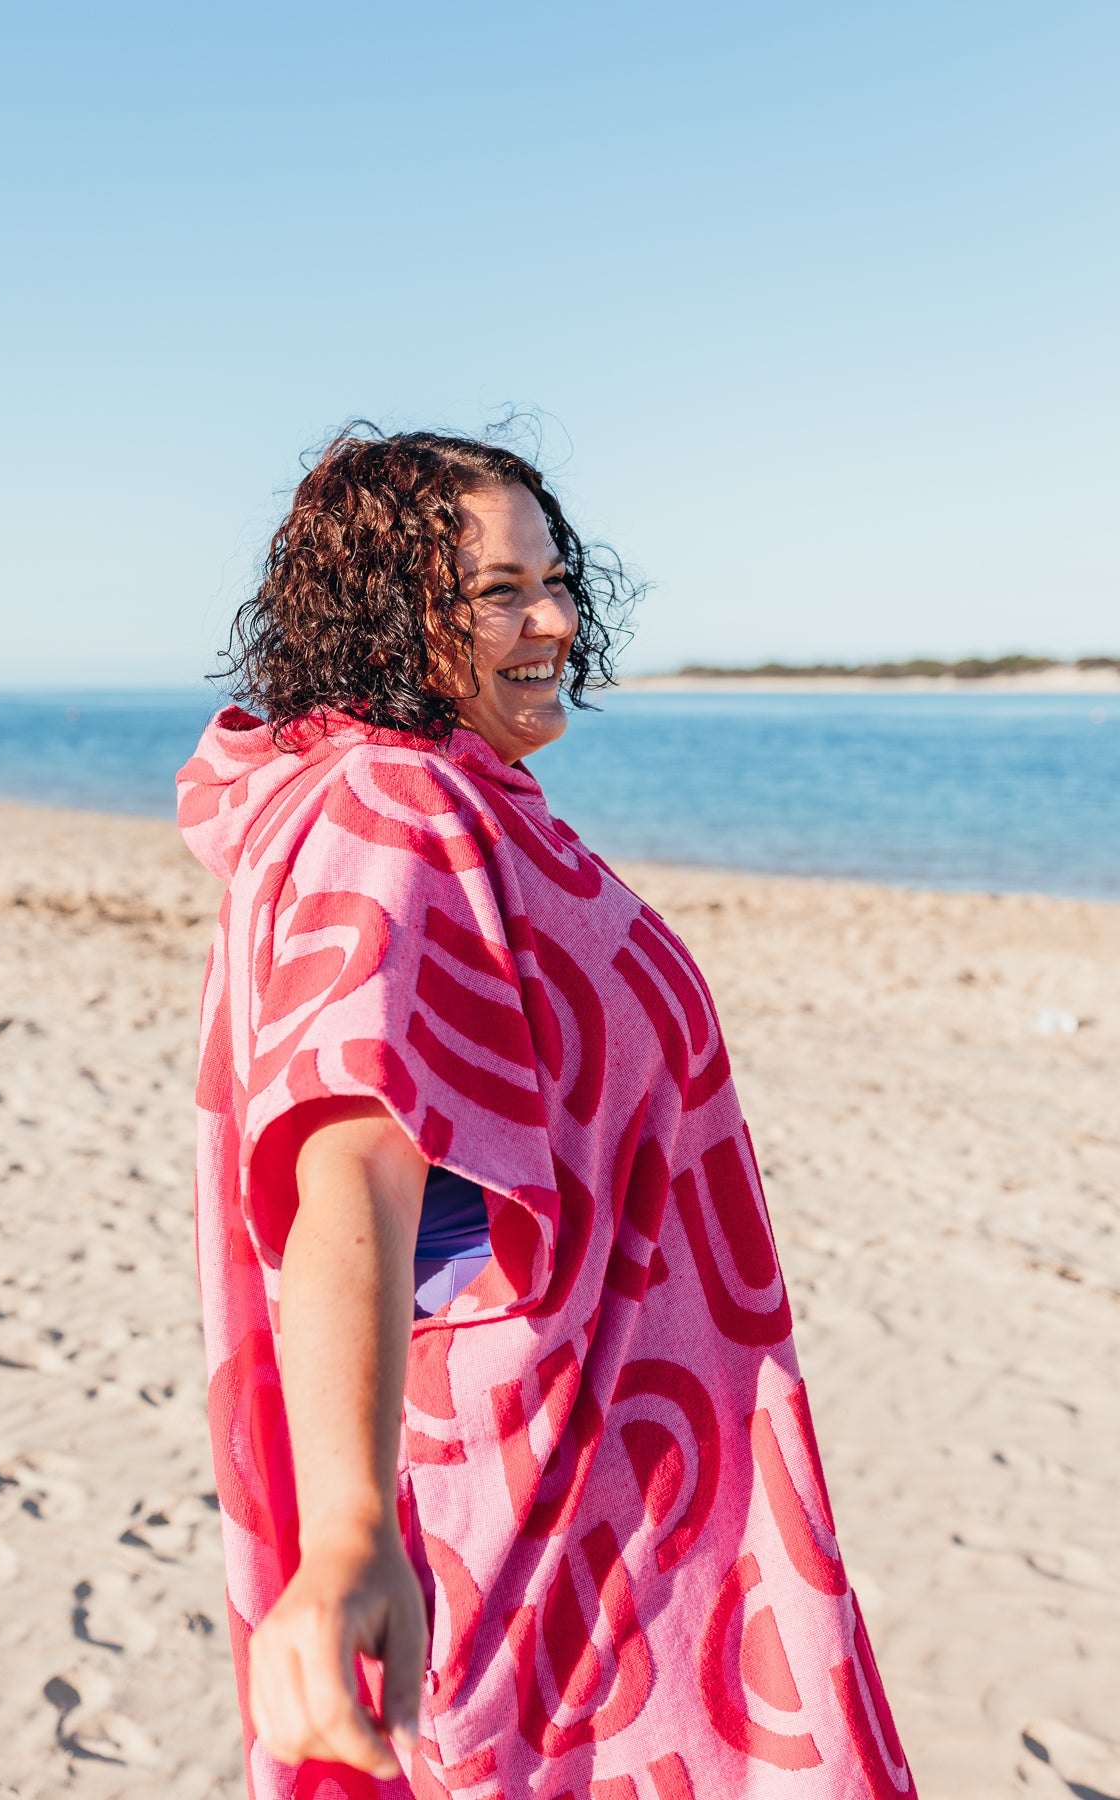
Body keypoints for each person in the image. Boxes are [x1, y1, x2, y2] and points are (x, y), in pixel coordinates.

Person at [177, 427, 914, 1800]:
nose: (556, 621)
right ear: (391, 616)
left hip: (617, 1470)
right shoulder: (393, 805)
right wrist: (343, 1531)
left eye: (559, 580)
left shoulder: (443, 800)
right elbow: (351, 1152)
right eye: (502, 592)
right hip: (553, 1512)